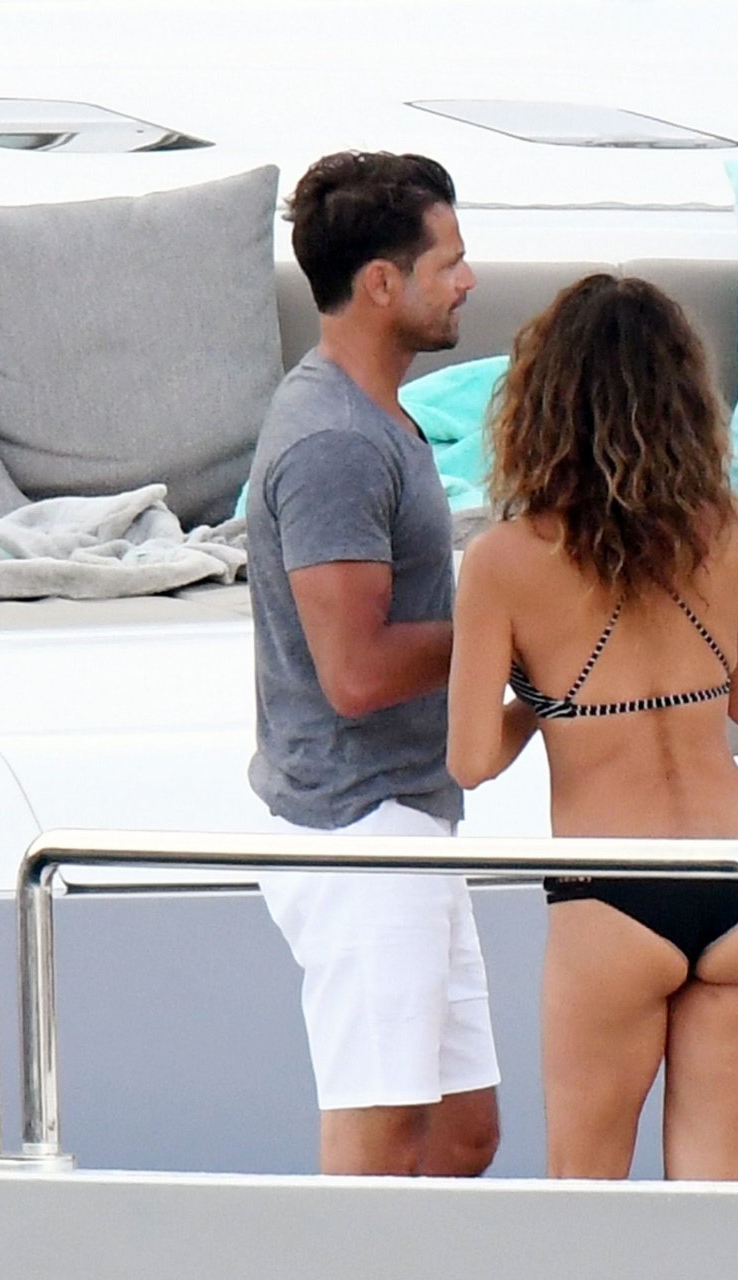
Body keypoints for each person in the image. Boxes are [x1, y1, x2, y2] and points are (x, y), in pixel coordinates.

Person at [446, 273, 738, 1180]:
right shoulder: (733, 526)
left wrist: (547, 701)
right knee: (712, 1207)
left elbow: (471, 760)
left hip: (614, 889)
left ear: (542, 405)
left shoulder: (504, 561)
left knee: (586, 1200)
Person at [245, 151, 499, 1177]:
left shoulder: (380, 416)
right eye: (449, 261)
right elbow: (353, 672)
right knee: (381, 1137)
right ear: (383, 282)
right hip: (359, 829)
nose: (468, 280)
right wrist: (511, 628)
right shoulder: (336, 442)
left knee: (463, 1132)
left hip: (409, 812)